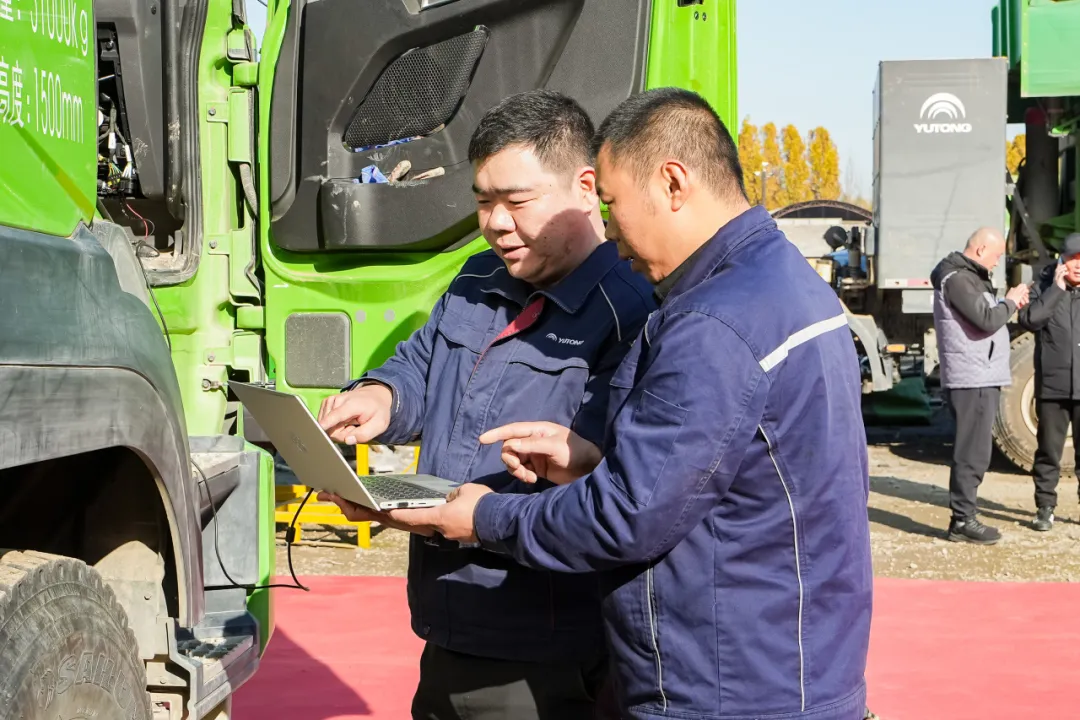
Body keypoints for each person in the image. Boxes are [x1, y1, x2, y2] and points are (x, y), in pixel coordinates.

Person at [385, 87, 874, 720]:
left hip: (727, 686)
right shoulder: (781, 282)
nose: (612, 235)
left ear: (673, 183)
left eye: (613, 206)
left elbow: (626, 518)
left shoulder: (712, 323)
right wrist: (589, 460)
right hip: (787, 667)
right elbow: (721, 478)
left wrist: (485, 517)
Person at [316, 89, 655, 720]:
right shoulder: (476, 278)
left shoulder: (630, 310)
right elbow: (420, 365)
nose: (496, 222)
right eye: (482, 201)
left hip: (547, 646)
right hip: (448, 617)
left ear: (586, 188)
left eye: (517, 201)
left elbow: (622, 484)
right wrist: (382, 396)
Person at [930, 228, 1030, 544]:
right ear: (980, 249)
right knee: (970, 451)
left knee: (977, 450)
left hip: (979, 374)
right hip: (971, 377)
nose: (998, 261)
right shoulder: (957, 279)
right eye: (996, 255)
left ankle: (965, 517)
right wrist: (1010, 302)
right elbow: (986, 319)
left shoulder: (967, 277)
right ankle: (962, 520)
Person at [1018, 232, 1080, 531]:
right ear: (1061, 262)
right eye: (1072, 260)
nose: (1078, 265)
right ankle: (1045, 508)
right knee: (1048, 453)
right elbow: (1030, 319)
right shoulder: (1043, 285)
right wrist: (1056, 289)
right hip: (1053, 387)